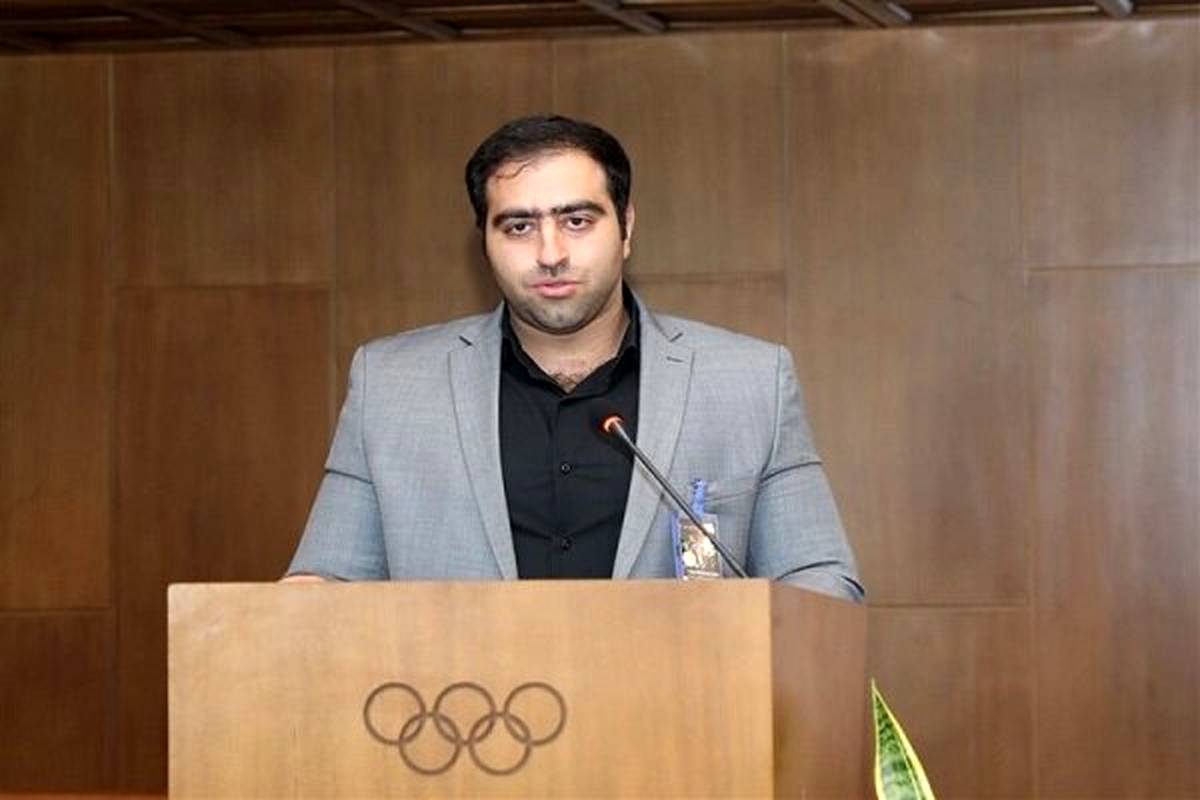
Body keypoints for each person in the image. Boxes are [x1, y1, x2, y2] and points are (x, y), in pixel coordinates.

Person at [285, 114, 863, 603]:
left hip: (675, 702)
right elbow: (324, 587)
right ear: (484, 241)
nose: (550, 253)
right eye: (519, 226)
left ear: (626, 227)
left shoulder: (749, 382)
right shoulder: (390, 386)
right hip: (462, 703)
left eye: (577, 221)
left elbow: (823, 585)